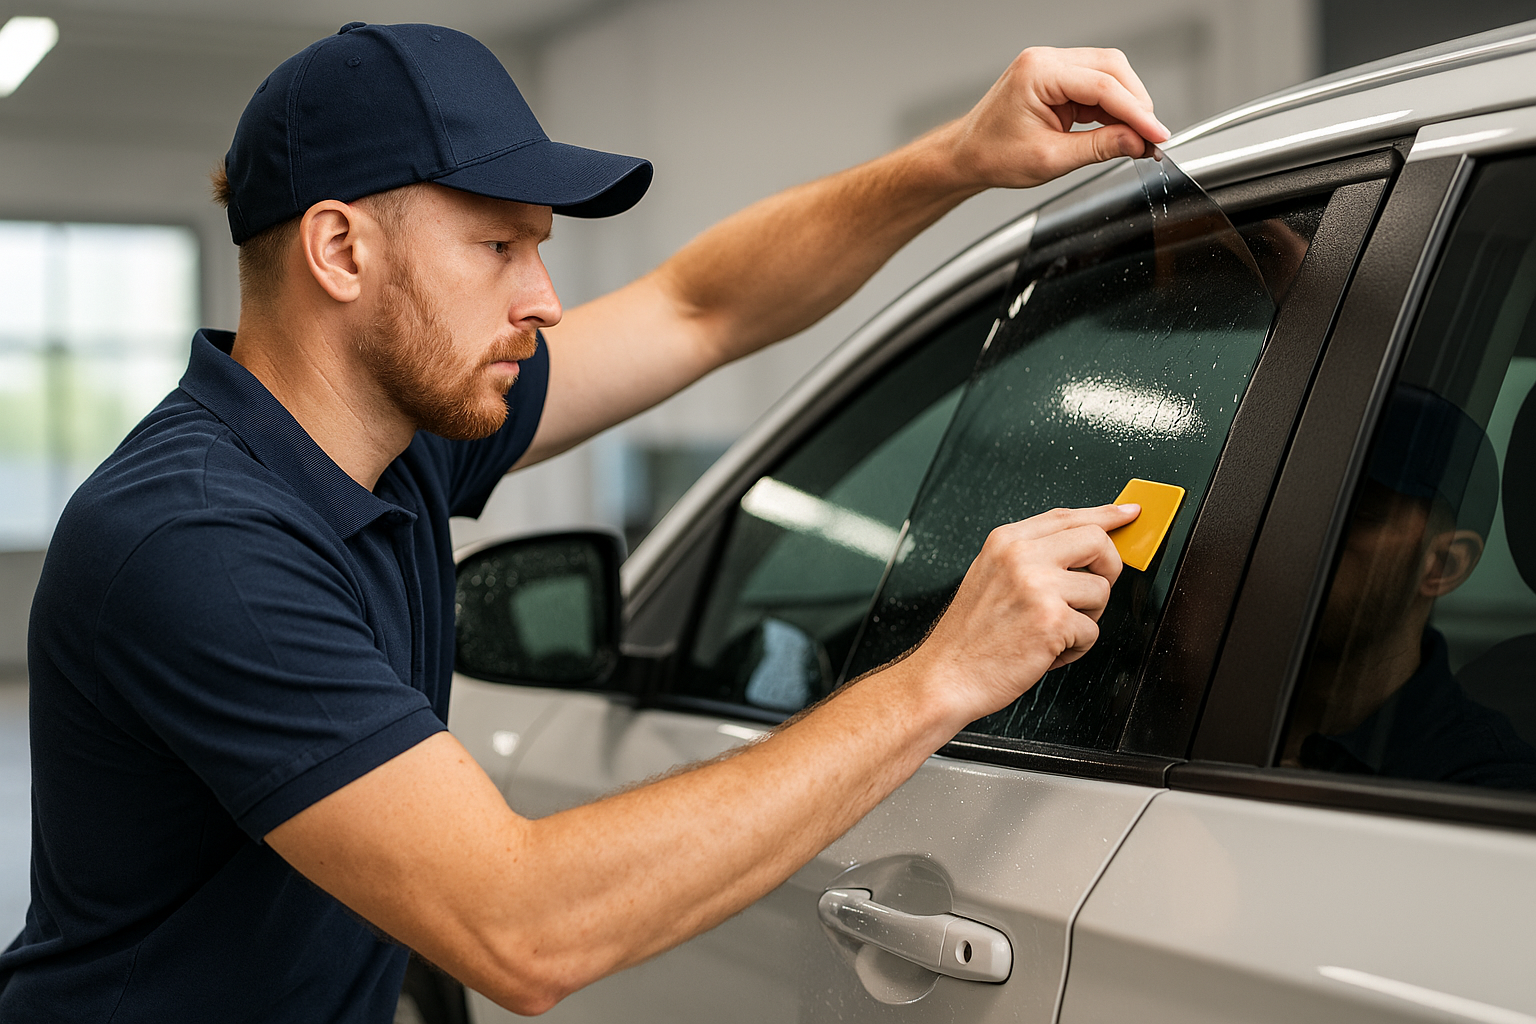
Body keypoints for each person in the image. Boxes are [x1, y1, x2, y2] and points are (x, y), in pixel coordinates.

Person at [0, 22, 1165, 1022]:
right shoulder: (200, 544)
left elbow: (699, 305)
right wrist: (942, 675)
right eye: (499, 246)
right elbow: (523, 926)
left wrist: (955, 159)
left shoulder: (397, 436)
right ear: (340, 249)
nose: (543, 299)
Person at [1283, 384, 1536, 789]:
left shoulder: (1485, 788)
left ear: (1444, 565)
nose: (1305, 533)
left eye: (1360, 512)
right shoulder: (1190, 689)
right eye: (1297, 502)